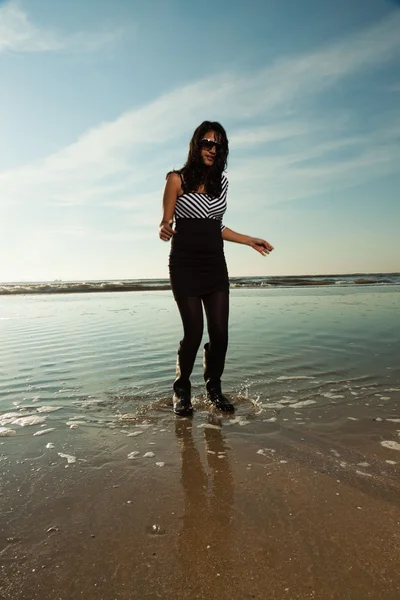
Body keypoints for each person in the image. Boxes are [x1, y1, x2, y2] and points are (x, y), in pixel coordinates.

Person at [159, 121, 274, 416]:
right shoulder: (177, 179)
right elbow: (167, 220)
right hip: (184, 264)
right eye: (207, 143)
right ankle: (182, 388)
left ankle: (214, 388)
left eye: (218, 145)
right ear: (197, 144)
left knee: (220, 335)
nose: (212, 149)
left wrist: (249, 240)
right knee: (194, 332)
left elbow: (216, 224)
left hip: (214, 265)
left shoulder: (221, 182)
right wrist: (164, 227)